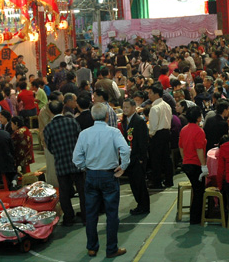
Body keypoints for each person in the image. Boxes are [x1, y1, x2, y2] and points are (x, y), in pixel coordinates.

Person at [72, 102, 130, 258]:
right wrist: (123, 167)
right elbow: (125, 150)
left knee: (91, 214)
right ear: (107, 116)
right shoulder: (113, 132)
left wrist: (85, 167)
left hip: (91, 175)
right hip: (109, 175)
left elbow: (76, 158)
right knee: (112, 214)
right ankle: (111, 249)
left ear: (92, 116)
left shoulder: (84, 134)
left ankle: (92, 247)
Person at [44, 100, 85, 226]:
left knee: (64, 193)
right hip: (76, 162)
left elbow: (49, 147)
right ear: (62, 109)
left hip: (61, 163)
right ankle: (86, 215)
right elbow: (80, 140)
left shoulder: (48, 128)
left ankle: (69, 217)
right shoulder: (72, 122)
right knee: (82, 190)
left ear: (50, 111)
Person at [178, 106, 208, 225]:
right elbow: (199, 149)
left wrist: (184, 158)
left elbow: (181, 147)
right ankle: (195, 218)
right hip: (196, 165)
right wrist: (203, 166)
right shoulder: (199, 131)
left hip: (186, 164)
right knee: (199, 192)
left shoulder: (184, 129)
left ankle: (195, 217)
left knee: (196, 190)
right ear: (198, 117)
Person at [122, 99, 150, 215]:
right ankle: (140, 204)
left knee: (139, 184)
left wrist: (141, 158)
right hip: (130, 157)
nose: (124, 110)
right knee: (134, 183)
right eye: (123, 107)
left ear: (134, 108)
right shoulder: (126, 121)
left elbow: (143, 141)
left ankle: (144, 206)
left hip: (137, 157)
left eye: (127, 107)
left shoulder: (138, 121)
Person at [147, 83, 174, 189]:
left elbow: (153, 126)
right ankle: (169, 180)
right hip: (167, 133)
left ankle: (157, 182)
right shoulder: (167, 105)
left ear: (156, 94)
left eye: (150, 93)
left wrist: (150, 135)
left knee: (156, 159)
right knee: (166, 158)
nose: (149, 95)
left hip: (157, 134)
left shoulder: (155, 108)